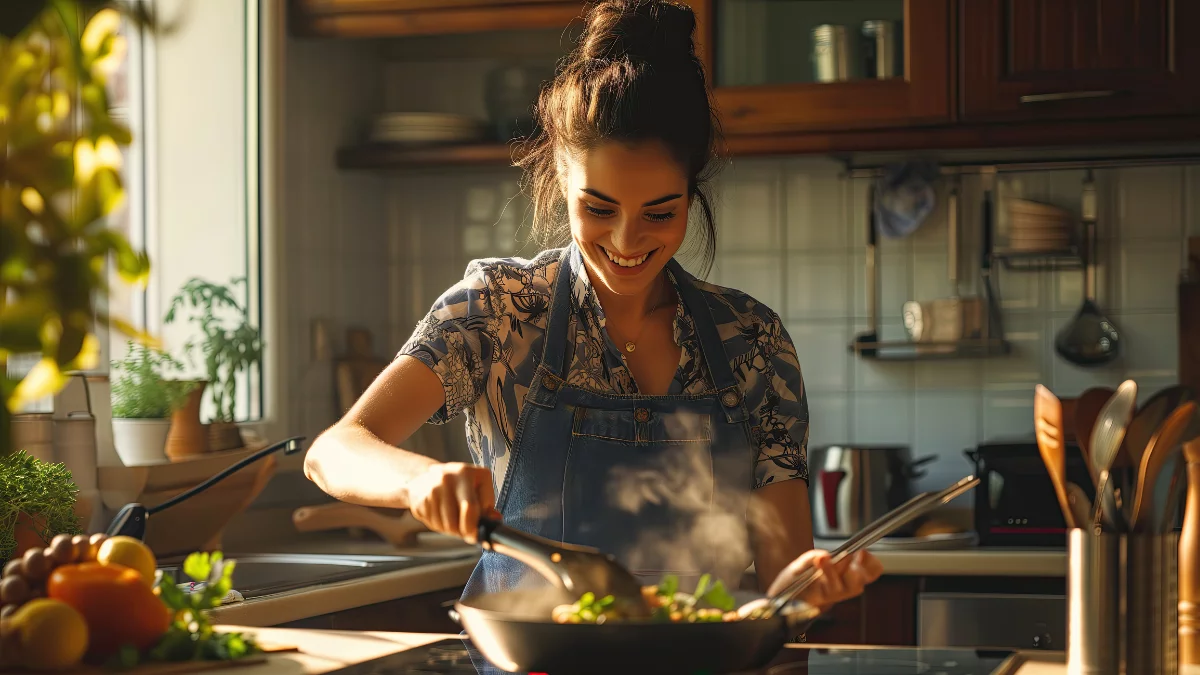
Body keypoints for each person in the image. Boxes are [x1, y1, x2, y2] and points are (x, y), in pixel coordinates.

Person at [305, 0, 882, 620]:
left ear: (694, 189)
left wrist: (805, 590)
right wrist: (417, 480)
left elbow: (781, 578)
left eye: (661, 213)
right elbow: (335, 450)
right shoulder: (499, 312)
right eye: (599, 209)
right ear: (559, 171)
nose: (627, 242)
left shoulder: (752, 341)